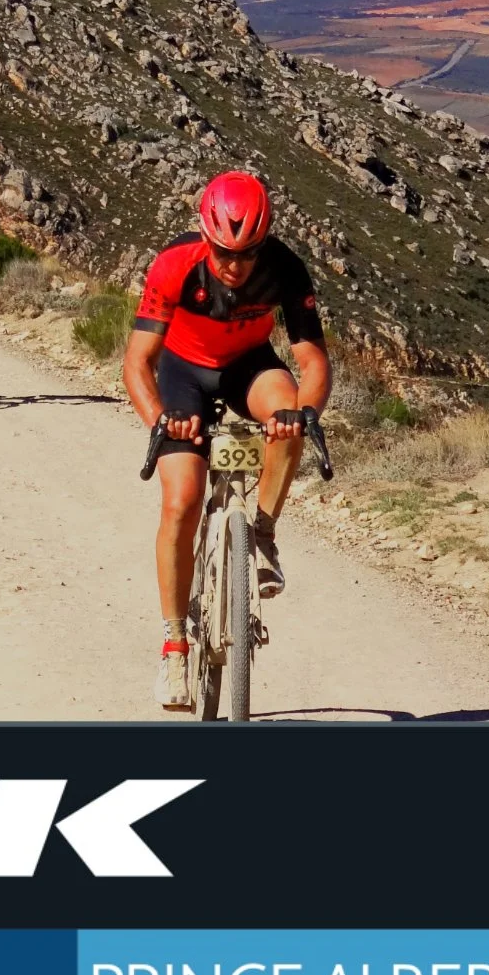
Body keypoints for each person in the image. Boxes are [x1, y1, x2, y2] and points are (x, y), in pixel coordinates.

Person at [121, 171, 332, 711]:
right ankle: (174, 645)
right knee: (182, 499)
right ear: (205, 237)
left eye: (248, 253)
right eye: (222, 252)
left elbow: (311, 359)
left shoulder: (285, 268)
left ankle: (261, 532)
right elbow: (138, 362)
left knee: (287, 409)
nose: (234, 267)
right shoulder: (175, 265)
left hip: (246, 365)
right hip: (182, 372)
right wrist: (161, 419)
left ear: (264, 244)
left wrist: (304, 412)